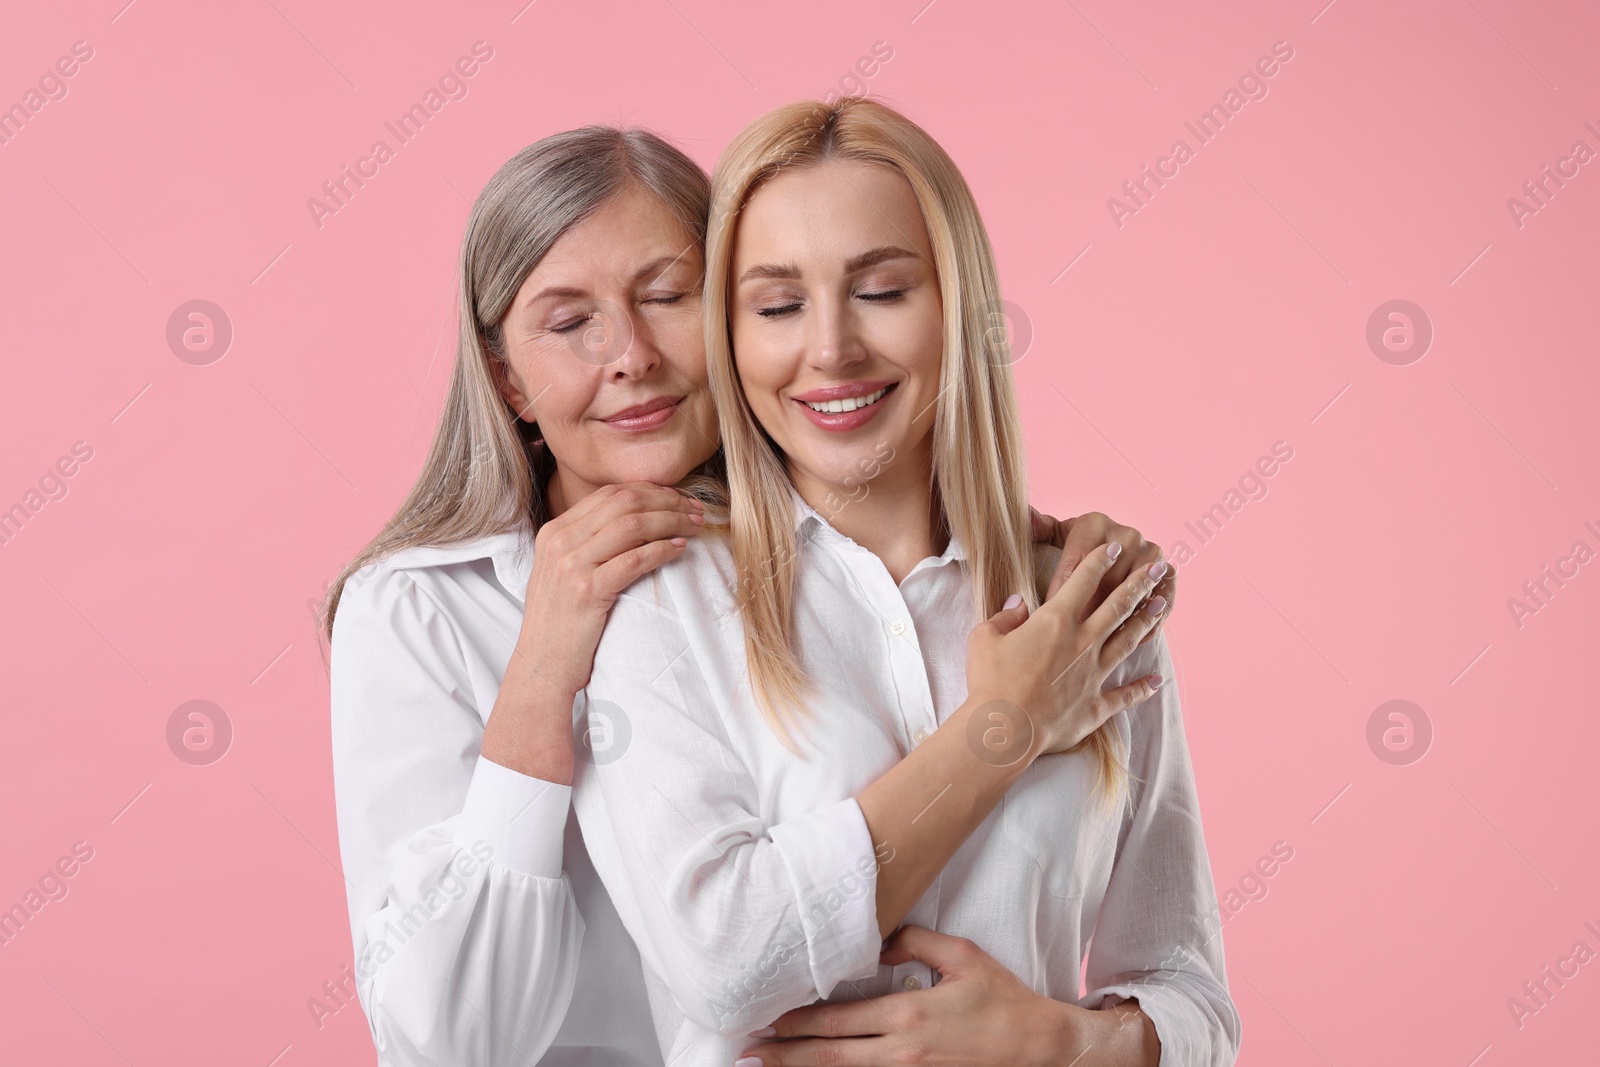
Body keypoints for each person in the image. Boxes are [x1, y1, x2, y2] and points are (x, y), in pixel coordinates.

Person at [325, 125, 1177, 1067]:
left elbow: (1179, 974)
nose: (633, 356)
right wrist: (540, 668)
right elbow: (455, 1041)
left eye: (668, 296)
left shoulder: (857, 577)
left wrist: (1041, 557)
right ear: (506, 380)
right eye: (570, 324)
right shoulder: (424, 611)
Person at [571, 99, 1238, 1067]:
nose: (832, 348)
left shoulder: (1084, 604)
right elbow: (724, 963)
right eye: (777, 305)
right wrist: (999, 729)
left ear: (958, 308)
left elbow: (1193, 996)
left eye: (881, 290)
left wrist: (1061, 1043)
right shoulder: (659, 603)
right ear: (730, 335)